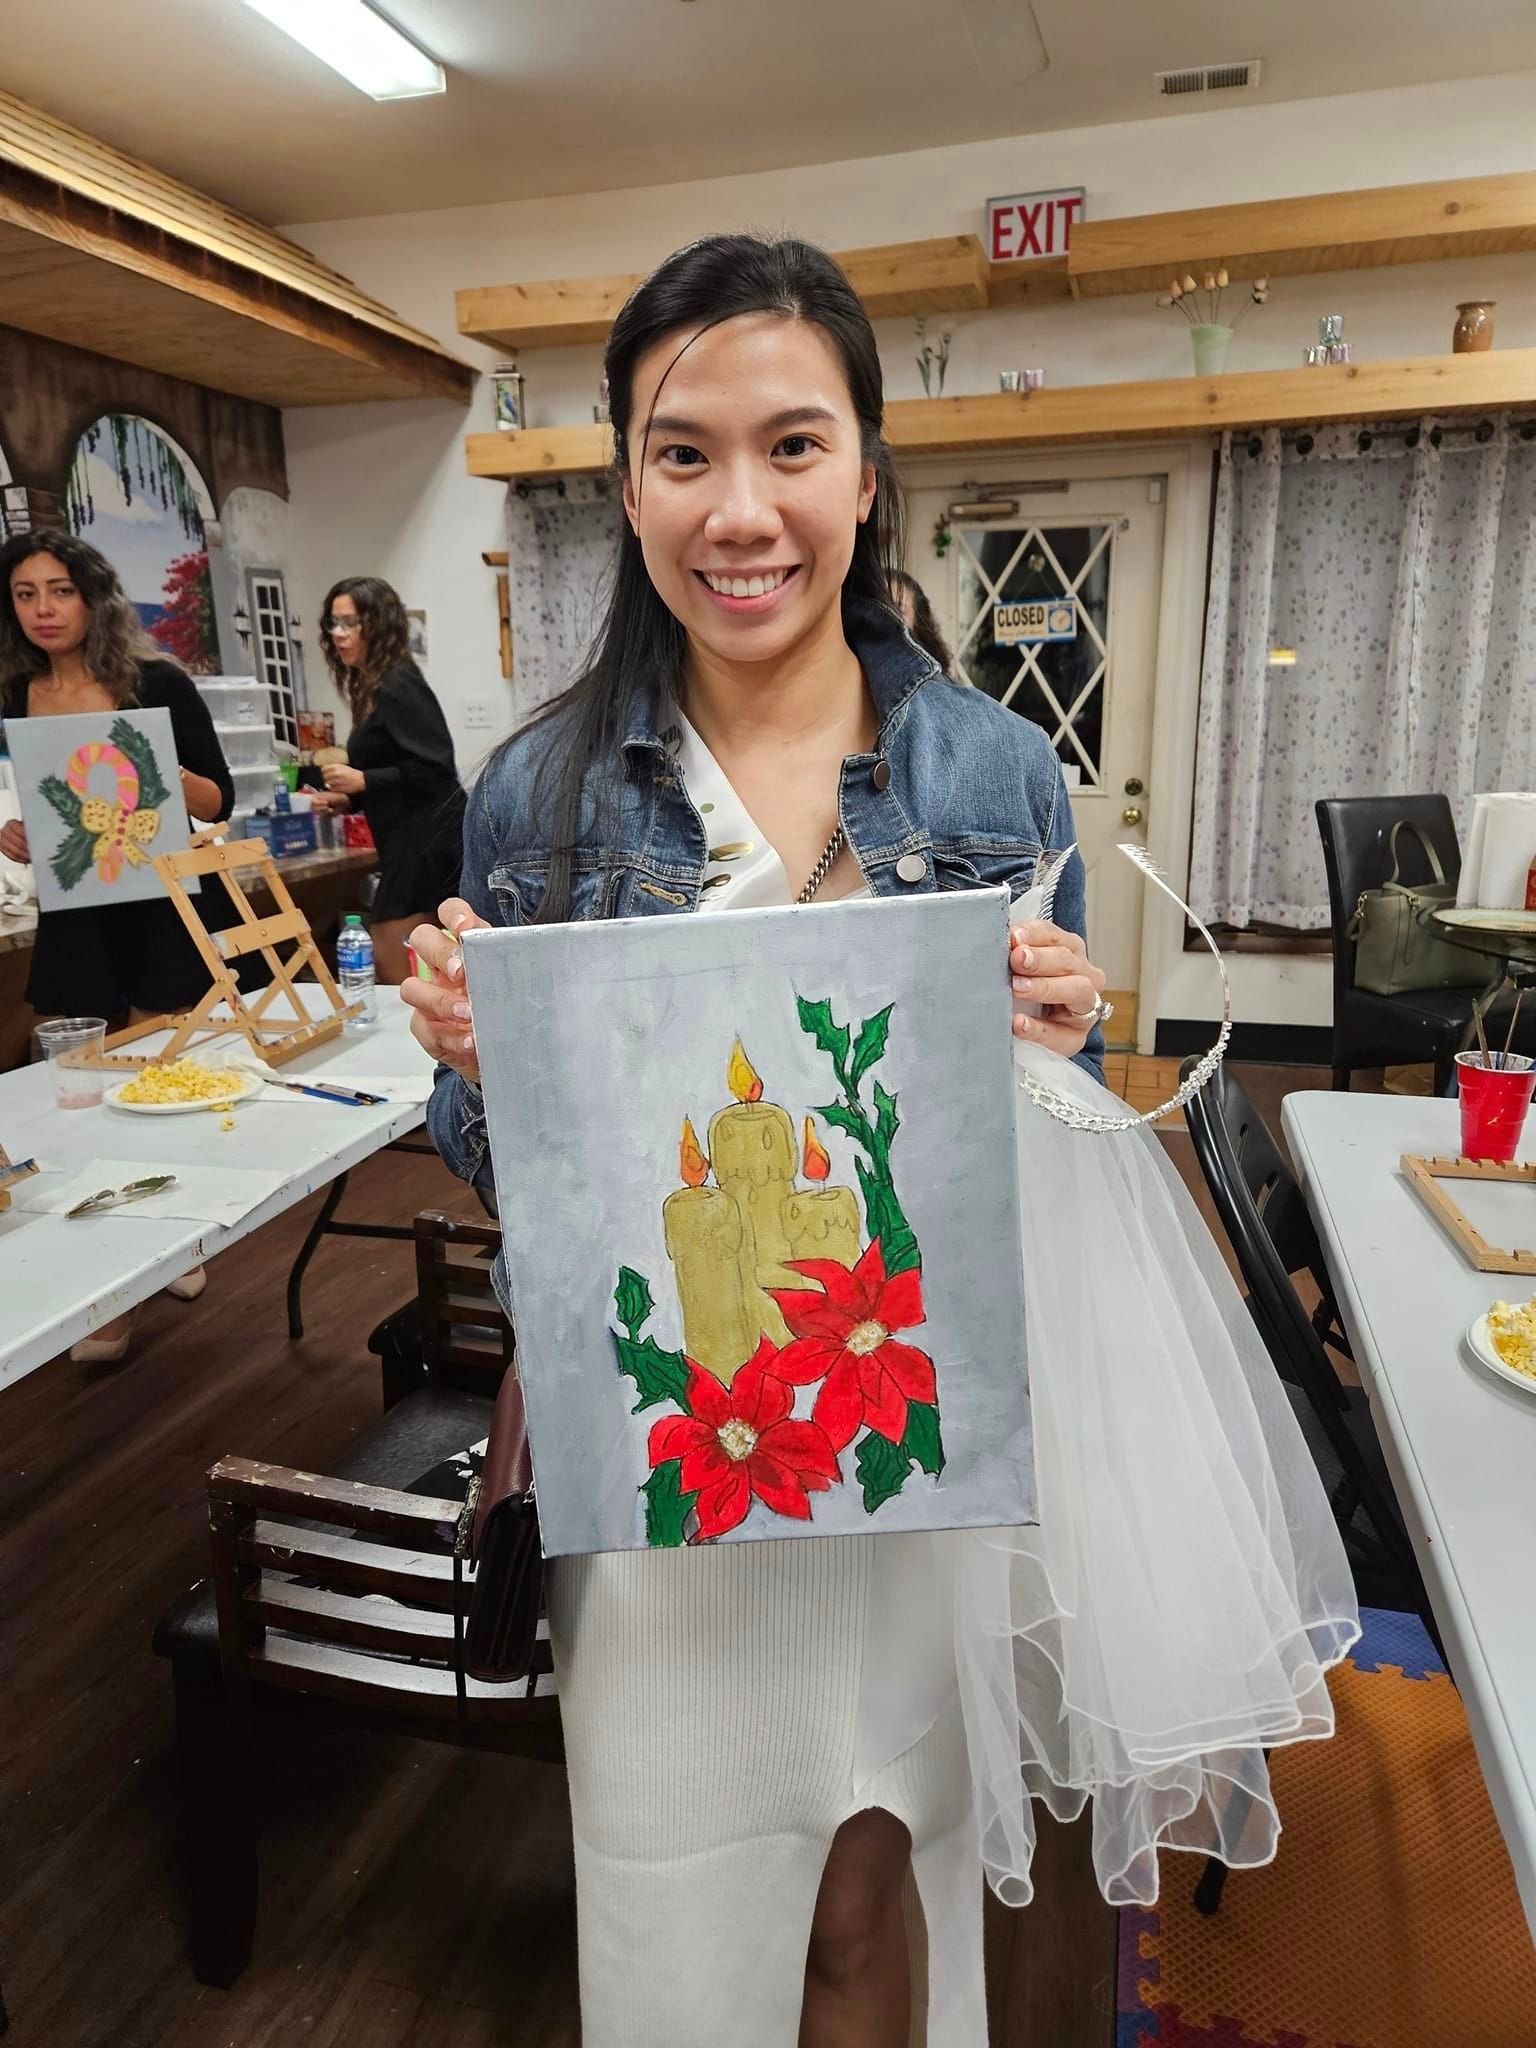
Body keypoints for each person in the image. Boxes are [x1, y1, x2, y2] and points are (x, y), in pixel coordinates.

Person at [403, 236, 1357, 2047]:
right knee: (677, 1894)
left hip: (892, 1441)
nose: (740, 508)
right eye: (684, 452)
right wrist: (473, 1056)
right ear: (623, 476)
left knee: (871, 1879)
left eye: (793, 445)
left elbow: (1025, 1179)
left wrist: (1054, 1053)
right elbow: (512, 1170)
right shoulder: (533, 791)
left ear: (864, 467)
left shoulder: (990, 774)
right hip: (668, 1469)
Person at [0, 528, 235, 1360]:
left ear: (92, 596)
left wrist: (161, 772)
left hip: (157, 907)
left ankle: (159, 1261)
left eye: (58, 590)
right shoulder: (14, 693)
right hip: (73, 915)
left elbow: (217, 799)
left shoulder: (155, 684)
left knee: (157, 1101)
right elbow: (17, 806)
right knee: (83, 1110)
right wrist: (12, 832)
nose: (43, 610)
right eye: (26, 594)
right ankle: (109, 1279)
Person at [312, 576, 465, 984]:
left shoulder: (399, 682)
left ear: (377, 626)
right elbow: (401, 769)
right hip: (407, 838)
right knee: (422, 952)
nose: (339, 635)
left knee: (390, 943)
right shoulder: (373, 685)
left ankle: (413, 1038)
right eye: (333, 623)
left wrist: (363, 779)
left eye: (349, 623)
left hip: (426, 842)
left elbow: (436, 771)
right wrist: (349, 798)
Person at [889, 567, 953, 671]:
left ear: (918, 622)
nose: (884, 616)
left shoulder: (936, 683)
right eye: (877, 608)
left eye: (897, 610)